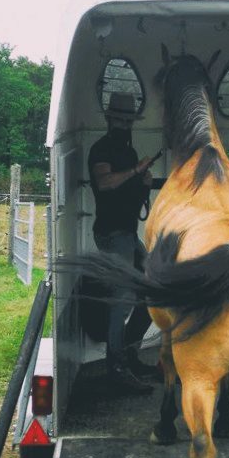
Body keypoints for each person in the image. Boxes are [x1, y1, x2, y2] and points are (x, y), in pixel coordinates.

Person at [88, 91, 159, 393]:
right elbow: (104, 183)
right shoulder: (101, 149)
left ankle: (128, 355)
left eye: (127, 120)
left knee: (151, 290)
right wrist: (135, 171)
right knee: (123, 298)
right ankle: (116, 368)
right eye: (119, 119)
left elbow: (127, 185)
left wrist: (142, 183)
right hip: (112, 233)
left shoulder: (128, 151)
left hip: (127, 233)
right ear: (109, 119)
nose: (123, 124)